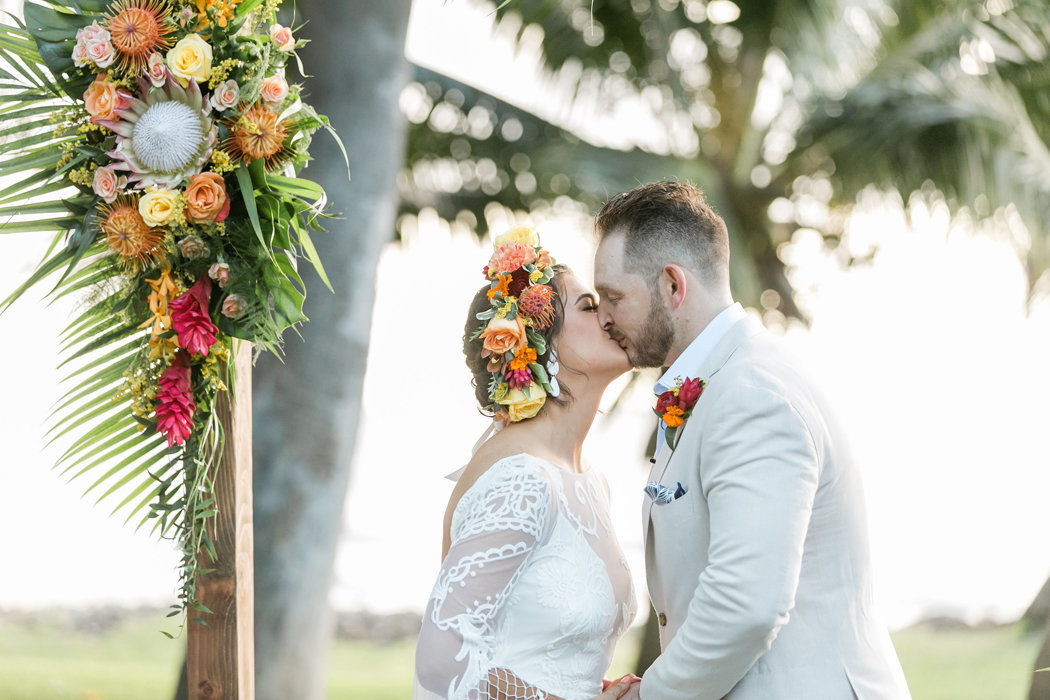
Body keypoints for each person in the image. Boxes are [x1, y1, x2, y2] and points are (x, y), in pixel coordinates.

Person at [592, 181, 911, 700]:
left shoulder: (751, 394)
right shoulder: (728, 382)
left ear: (673, 286)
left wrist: (649, 696)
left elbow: (747, 603)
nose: (603, 317)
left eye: (613, 296)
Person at [413, 226, 640, 700]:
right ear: (539, 345)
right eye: (588, 306)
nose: (609, 316)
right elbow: (444, 660)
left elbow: (534, 650)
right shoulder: (521, 478)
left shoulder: (591, 481)